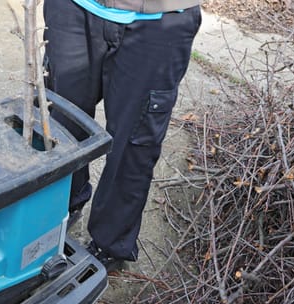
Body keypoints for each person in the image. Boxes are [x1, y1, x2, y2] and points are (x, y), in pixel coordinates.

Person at [43, 0, 202, 271]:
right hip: (73, 8)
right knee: (62, 121)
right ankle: (61, 205)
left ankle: (110, 242)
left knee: (135, 141)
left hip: (160, 19)